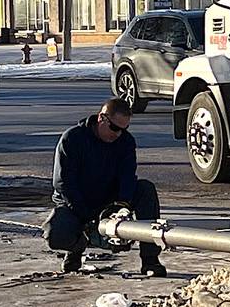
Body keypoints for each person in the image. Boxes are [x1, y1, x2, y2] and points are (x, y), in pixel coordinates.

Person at [44, 97, 166, 276]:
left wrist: (121, 207)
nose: (118, 134)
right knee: (56, 233)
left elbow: (127, 176)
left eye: (124, 129)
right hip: (75, 202)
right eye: (115, 128)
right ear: (102, 118)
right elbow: (64, 183)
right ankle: (76, 248)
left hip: (109, 200)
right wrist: (86, 216)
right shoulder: (73, 139)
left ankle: (150, 260)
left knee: (145, 189)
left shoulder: (125, 141)